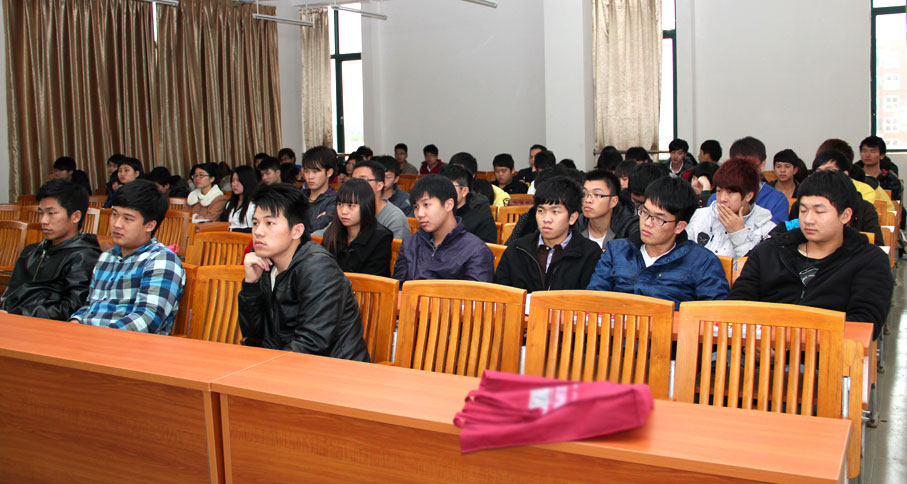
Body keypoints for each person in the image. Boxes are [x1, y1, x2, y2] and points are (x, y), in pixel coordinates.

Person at [729, 170, 893, 339]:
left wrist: (790, 342)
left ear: (845, 216)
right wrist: (756, 343)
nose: (808, 219)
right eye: (803, 210)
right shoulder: (770, 251)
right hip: (759, 349)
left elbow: (864, 323)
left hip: (829, 353)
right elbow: (736, 307)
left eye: (819, 212)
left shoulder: (869, 260)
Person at [238, 184, 370, 360]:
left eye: (269, 223)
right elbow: (253, 334)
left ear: (296, 231)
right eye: (255, 223)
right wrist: (251, 286)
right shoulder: (266, 265)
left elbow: (312, 342)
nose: (258, 232)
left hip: (334, 368)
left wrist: (267, 367)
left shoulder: (319, 268)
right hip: (286, 364)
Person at [587, 176, 729, 308]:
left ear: (680, 226)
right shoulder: (617, 251)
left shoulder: (702, 262)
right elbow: (593, 300)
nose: (647, 223)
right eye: (645, 213)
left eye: (659, 219)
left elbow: (713, 315)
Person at [70, 180, 185, 334]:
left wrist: (98, 335)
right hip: (89, 338)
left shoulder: (161, 260)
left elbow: (147, 319)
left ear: (149, 225)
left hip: (129, 343)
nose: (117, 224)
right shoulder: (107, 257)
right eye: (115, 214)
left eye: (128, 219)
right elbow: (91, 306)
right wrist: (76, 321)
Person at [0, 180, 101, 320]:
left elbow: (72, 309)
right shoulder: (30, 251)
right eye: (41, 213)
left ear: (76, 216)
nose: (43, 220)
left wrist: (16, 314)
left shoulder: (84, 257)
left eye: (51, 213)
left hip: (41, 327)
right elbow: (8, 296)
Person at [494, 176, 601, 292]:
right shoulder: (517, 249)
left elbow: (591, 298)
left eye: (555, 211)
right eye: (541, 211)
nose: (546, 219)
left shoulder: (589, 253)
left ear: (572, 218)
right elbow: (500, 294)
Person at [394, 175, 494, 282]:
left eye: (426, 204)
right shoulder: (410, 244)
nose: (420, 214)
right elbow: (397, 288)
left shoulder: (476, 251)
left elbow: (476, 292)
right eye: (416, 207)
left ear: (448, 205)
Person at [686, 158, 776, 258]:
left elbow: (761, 266)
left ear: (748, 196)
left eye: (730, 192)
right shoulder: (701, 216)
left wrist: (739, 235)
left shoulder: (765, 228)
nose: (722, 199)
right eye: (719, 191)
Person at [706, 136, 789, 224]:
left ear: (762, 164)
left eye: (751, 166)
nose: (744, 171)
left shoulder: (777, 200)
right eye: (738, 166)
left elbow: (777, 231)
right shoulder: (716, 199)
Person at [321, 179, 393, 277]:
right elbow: (322, 267)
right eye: (339, 204)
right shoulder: (333, 231)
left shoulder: (381, 237)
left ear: (366, 206)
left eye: (351, 206)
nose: (343, 211)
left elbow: (372, 279)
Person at [815, 138, 894, 210]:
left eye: (829, 169)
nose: (823, 175)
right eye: (819, 170)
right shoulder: (814, 186)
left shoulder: (867, 188)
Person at [579, 170, 639, 248]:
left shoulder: (628, 228)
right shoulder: (575, 225)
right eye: (584, 193)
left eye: (597, 194)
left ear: (613, 201)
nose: (588, 200)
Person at [350, 161, 410, 239]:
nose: (355, 186)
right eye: (353, 181)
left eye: (363, 180)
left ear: (379, 185)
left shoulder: (394, 218)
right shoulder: (348, 211)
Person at [440, 164, 497, 243]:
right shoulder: (434, 217)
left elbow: (485, 249)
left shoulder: (483, 221)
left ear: (464, 191)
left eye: (450, 187)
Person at [301, 146, 338, 232]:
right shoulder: (298, 196)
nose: (310, 176)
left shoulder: (335, 200)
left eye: (315, 171)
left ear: (329, 172)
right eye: (306, 171)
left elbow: (316, 227)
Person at [857, 136, 902, 201]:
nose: (867, 155)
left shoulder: (890, 180)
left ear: (882, 156)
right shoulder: (855, 176)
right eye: (864, 151)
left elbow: (895, 204)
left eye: (872, 151)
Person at [221, 165, 258, 233]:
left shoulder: (255, 204)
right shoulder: (229, 203)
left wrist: (232, 230)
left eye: (238, 181)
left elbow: (256, 228)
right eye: (233, 181)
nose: (234, 184)